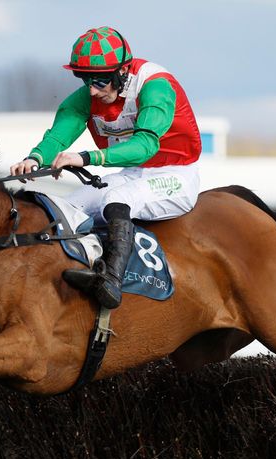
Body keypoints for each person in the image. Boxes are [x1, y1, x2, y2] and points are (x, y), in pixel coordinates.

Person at [10, 26, 202, 309]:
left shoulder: (156, 85)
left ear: (123, 71)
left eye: (100, 81)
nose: (92, 90)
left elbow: (145, 147)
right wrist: (35, 158)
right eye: (84, 79)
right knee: (69, 207)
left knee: (116, 199)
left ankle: (111, 281)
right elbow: (59, 135)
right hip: (134, 174)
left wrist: (87, 158)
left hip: (176, 173)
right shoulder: (88, 96)